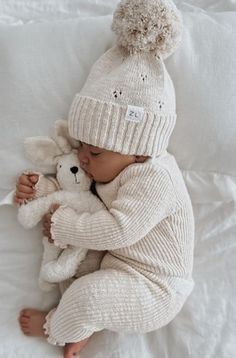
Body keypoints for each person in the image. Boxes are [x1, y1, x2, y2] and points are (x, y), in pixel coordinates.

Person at [16, 1, 195, 357]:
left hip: (155, 288)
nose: (83, 158)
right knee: (79, 275)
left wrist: (64, 227)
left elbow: (119, 230)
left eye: (94, 153)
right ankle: (85, 320)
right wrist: (39, 189)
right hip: (120, 269)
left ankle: (58, 328)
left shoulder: (154, 178)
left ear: (140, 150)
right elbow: (78, 192)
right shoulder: (110, 165)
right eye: (82, 146)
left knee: (88, 296)